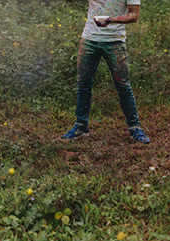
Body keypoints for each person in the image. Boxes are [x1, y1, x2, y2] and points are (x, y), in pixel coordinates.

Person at [61, 0, 150, 144]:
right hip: (89, 38)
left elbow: (134, 15)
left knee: (123, 85)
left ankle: (134, 128)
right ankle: (81, 126)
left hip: (115, 41)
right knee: (84, 83)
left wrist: (111, 20)